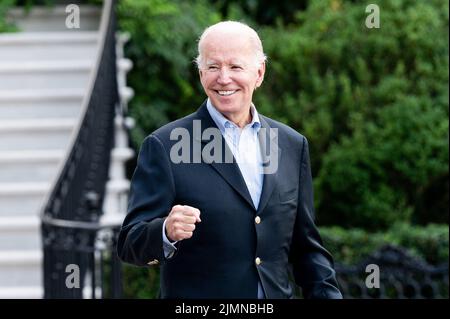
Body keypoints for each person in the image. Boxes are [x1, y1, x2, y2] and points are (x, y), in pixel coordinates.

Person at [117, 21, 342, 299]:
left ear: (259, 73)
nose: (223, 78)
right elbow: (129, 243)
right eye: (213, 67)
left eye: (235, 67)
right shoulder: (165, 145)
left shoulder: (291, 145)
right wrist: (165, 230)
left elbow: (306, 249)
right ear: (201, 73)